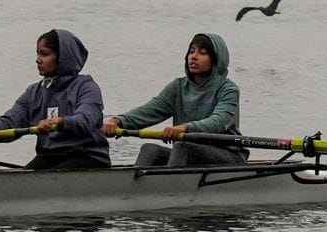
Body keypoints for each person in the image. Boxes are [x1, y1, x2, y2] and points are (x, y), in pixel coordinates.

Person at [102, 32, 248, 167]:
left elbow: (219, 121)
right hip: (189, 151)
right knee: (149, 149)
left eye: (202, 53)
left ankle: (171, 192)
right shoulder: (178, 87)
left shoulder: (228, 89)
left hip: (228, 153)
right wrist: (118, 121)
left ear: (216, 60)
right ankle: (133, 192)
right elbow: (149, 111)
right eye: (191, 51)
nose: (194, 57)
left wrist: (185, 127)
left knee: (182, 146)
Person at [0, 29, 111, 170]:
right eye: (38, 54)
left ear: (62, 57)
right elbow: (12, 119)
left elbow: (85, 120)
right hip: (49, 157)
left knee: (51, 178)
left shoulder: (87, 87)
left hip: (88, 157)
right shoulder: (34, 92)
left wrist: (60, 121)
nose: (38, 60)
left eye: (45, 54)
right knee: (20, 181)